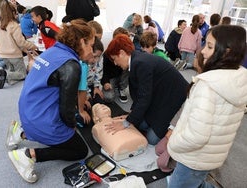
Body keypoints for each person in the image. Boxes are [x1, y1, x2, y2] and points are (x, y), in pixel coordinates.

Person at [6, 19, 95, 183]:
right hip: (39, 119)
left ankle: (21, 132)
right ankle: (29, 155)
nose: (92, 50)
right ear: (82, 41)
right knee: (80, 150)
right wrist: (72, 126)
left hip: (27, 111)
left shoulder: (54, 50)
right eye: (90, 45)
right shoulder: (71, 65)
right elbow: (66, 110)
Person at [167, 25, 247, 188]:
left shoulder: (208, 86)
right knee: (196, 183)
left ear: (226, 52)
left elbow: (196, 136)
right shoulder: (238, 78)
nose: (202, 51)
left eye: (209, 46)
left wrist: (173, 142)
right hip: (212, 155)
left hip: (194, 157)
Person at [105, 34, 188, 145]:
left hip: (173, 97)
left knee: (152, 139)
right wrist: (132, 114)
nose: (115, 63)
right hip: (160, 93)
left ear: (122, 53)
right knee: (140, 123)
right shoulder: (136, 60)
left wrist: (126, 122)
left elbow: (144, 97)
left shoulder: (140, 63)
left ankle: (176, 126)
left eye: (115, 59)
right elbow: (141, 92)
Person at [0, 0, 38, 89]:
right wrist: (33, 46)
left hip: (2, 54)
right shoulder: (14, 25)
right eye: (16, 12)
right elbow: (21, 42)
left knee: (11, 70)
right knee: (22, 74)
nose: (17, 15)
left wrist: (27, 52)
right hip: (14, 55)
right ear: (12, 13)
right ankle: (3, 74)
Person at [101, 27, 130, 104]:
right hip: (112, 78)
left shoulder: (129, 53)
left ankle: (122, 88)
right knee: (108, 97)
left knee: (128, 67)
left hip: (123, 77)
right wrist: (105, 82)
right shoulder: (107, 54)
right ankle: (116, 86)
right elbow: (104, 70)